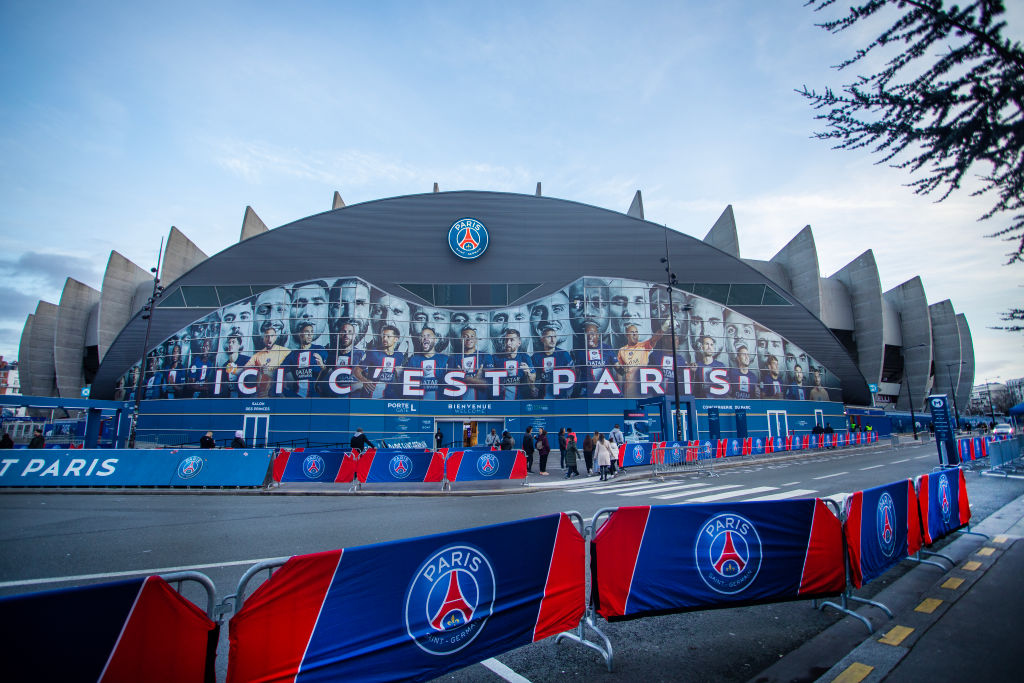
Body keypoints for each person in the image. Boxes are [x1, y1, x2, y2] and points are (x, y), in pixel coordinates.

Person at [616, 320, 669, 397]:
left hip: (644, 388)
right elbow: (619, 372)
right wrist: (620, 389)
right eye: (632, 332)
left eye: (636, 332)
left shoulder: (643, 346)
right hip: (629, 390)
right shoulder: (622, 350)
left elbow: (655, 338)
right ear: (627, 335)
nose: (635, 334)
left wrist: (664, 328)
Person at [355, 325, 405, 399]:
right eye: (383, 336)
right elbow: (357, 370)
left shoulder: (399, 356)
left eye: (388, 336)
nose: (385, 339)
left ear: (396, 339)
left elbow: (397, 375)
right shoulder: (373, 352)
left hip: (387, 396)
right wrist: (364, 380)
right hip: (370, 395)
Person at [283, 321, 329, 398]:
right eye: (307, 332)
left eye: (312, 332)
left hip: (316, 396)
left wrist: (322, 365)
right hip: (297, 396)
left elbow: (329, 373)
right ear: (300, 334)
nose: (310, 334)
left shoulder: (320, 350)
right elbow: (281, 371)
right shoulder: (293, 355)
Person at [575, 320, 618, 397]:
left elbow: (618, 367)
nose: (589, 336)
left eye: (592, 333)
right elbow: (576, 374)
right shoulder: (580, 351)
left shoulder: (606, 348)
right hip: (587, 390)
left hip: (604, 388)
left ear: (598, 335)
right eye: (586, 334)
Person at [405, 326, 448, 400]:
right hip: (420, 405)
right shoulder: (413, 360)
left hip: (440, 404)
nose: (425, 338)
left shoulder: (445, 359)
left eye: (428, 335)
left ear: (435, 340)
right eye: (422, 336)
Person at [531, 326, 575, 398]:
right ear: (542, 339)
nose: (552, 340)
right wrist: (533, 388)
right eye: (549, 337)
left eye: (554, 337)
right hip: (543, 396)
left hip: (561, 395)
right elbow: (532, 376)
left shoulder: (564, 354)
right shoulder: (536, 357)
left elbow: (573, 372)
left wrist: (569, 391)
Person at [492, 328, 535, 400]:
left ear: (519, 343)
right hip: (500, 401)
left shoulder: (525, 357)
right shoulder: (495, 358)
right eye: (506, 340)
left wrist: (529, 374)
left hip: (520, 400)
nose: (508, 343)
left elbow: (533, 378)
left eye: (512, 340)